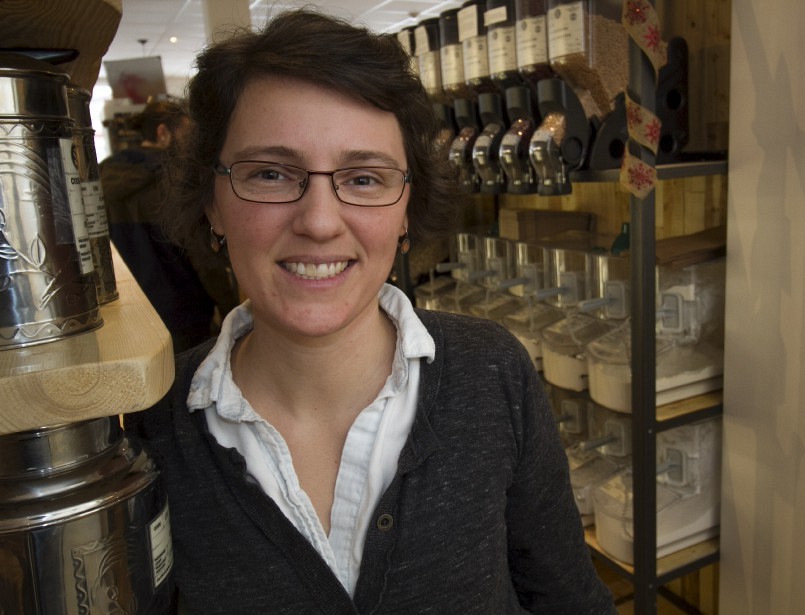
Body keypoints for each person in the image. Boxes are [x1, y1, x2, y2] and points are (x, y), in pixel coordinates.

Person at [124, 8, 616, 614]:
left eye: (363, 178)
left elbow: (570, 601)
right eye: (272, 174)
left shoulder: (491, 374)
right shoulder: (151, 438)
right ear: (212, 204)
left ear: (407, 208)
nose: (321, 222)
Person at [100, 99, 239, 352]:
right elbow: (205, 256)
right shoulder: (175, 181)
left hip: (124, 316)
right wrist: (232, 310)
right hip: (183, 316)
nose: (194, 145)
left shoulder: (100, 180)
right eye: (188, 135)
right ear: (163, 133)